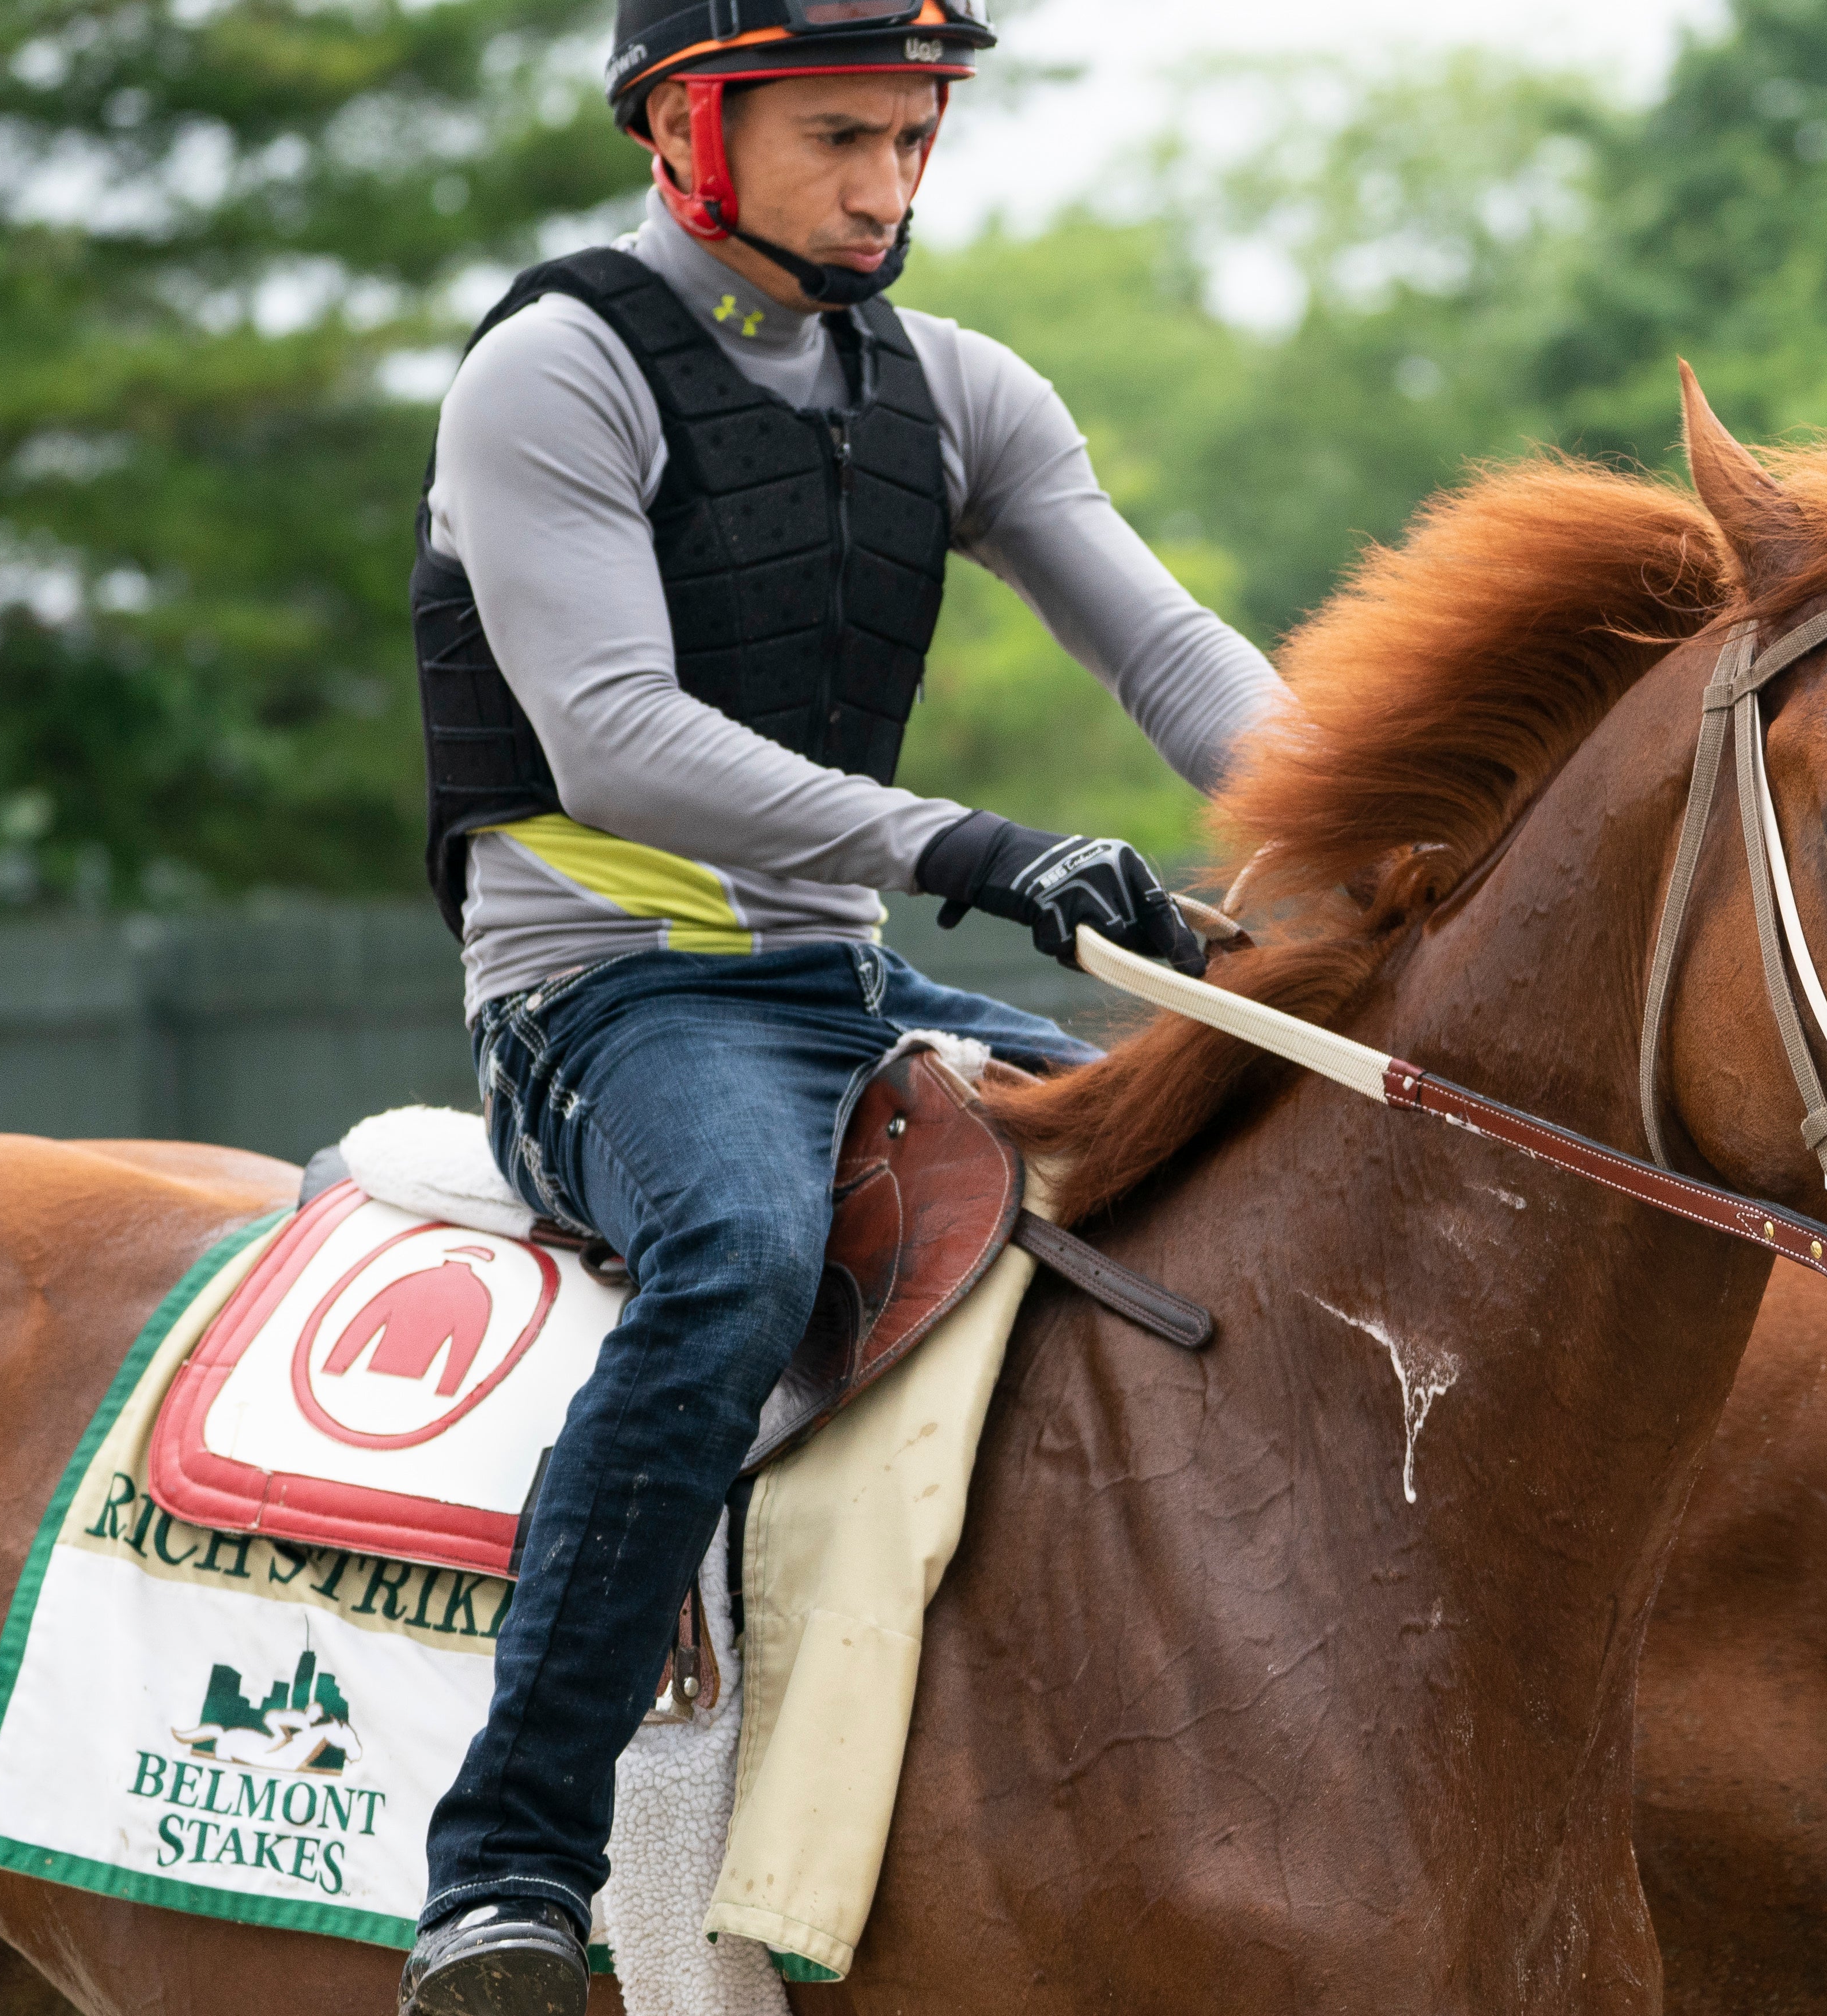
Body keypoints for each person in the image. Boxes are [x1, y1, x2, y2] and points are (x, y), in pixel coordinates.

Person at [395, 4, 1284, 2010]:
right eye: (840, 138)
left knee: (1231, 1165)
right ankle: (509, 1873)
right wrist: (977, 842)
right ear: (686, 126)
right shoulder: (552, 371)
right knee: (739, 1249)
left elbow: (1168, 654)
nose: (889, 186)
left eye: (914, 135)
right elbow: (614, 739)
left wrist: (1393, 820)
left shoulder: (957, 386)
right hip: (608, 998)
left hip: (841, 981)